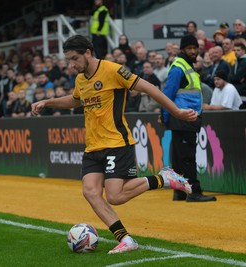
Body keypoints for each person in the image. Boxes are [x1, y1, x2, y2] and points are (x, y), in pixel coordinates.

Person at [31, 35, 196, 254]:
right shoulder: (81, 78)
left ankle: (164, 178)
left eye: (74, 59)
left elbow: (150, 88)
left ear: (88, 52)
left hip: (116, 142)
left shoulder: (113, 70)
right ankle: (126, 239)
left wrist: (176, 112)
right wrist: (47, 102)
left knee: (115, 196)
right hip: (92, 146)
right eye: (69, 60)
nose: (71, 65)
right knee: (90, 192)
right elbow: (76, 100)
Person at [161, 35, 217, 202]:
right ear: (182, 49)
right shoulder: (179, 67)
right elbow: (167, 94)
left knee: (179, 157)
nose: (193, 51)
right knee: (187, 157)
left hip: (185, 118)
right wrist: (165, 116)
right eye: (189, 48)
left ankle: (179, 192)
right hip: (184, 117)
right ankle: (194, 191)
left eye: (195, 48)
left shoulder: (185, 66)